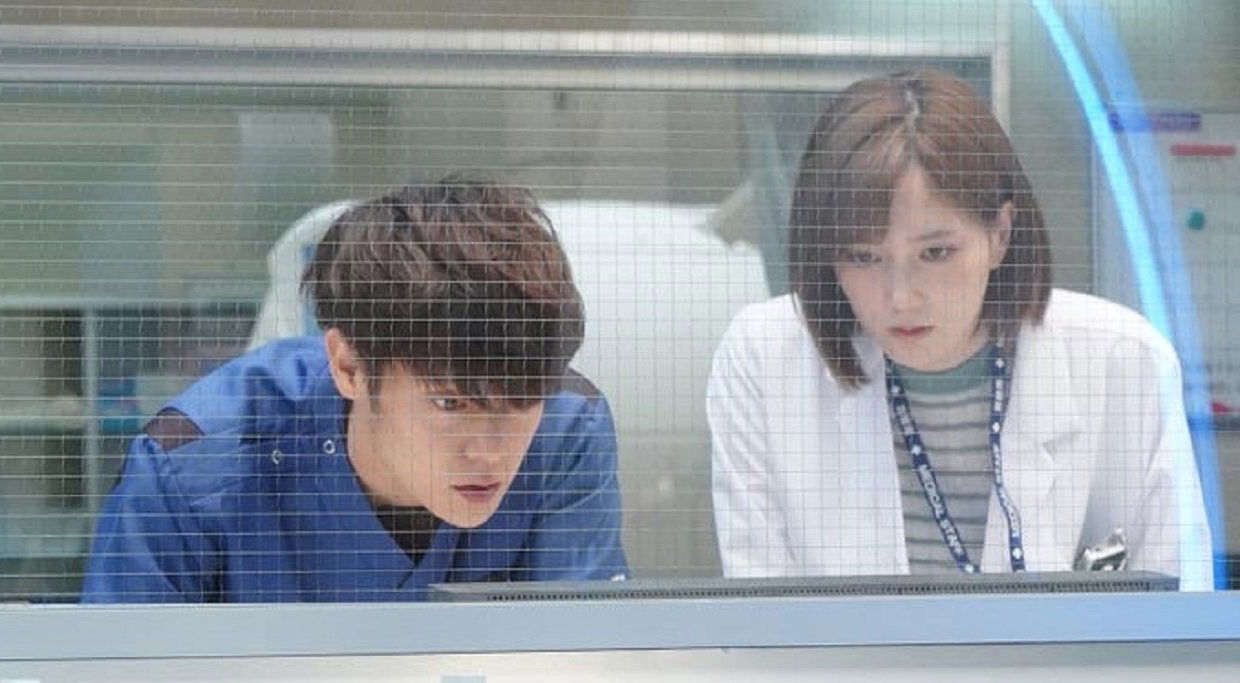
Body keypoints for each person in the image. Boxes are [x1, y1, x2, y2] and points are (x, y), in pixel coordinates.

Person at [707, 70, 1213, 589]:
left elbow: (1180, 614)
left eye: (935, 252)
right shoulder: (765, 360)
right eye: (863, 256)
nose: (901, 297)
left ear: (1000, 234)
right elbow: (764, 620)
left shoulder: (1124, 361)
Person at [83, 180, 629, 602]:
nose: (489, 451)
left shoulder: (566, 428)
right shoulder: (193, 464)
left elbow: (582, 663)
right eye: (450, 402)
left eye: (522, 401)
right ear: (349, 367)